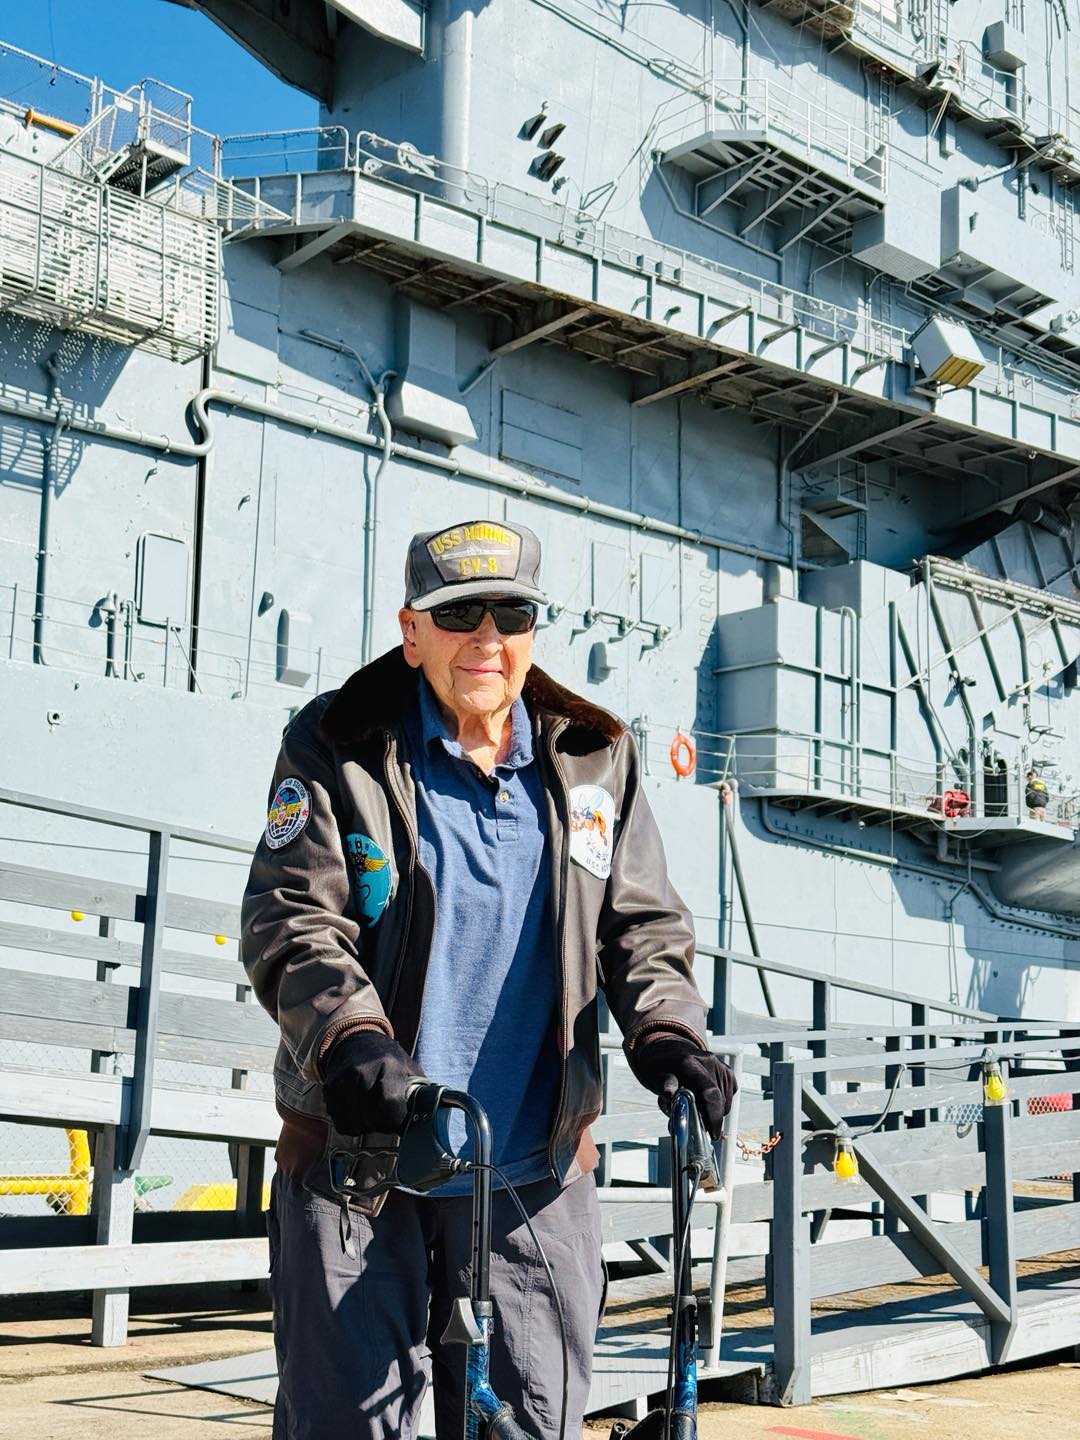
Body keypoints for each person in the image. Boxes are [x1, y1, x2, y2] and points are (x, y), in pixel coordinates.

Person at [241, 518, 736, 1440]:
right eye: (459, 612)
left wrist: (667, 1031)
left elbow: (642, 925)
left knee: (532, 1422)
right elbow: (291, 917)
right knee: (342, 1426)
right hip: (361, 1165)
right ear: (412, 629)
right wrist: (353, 1041)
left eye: (512, 612)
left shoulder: (595, 755)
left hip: (534, 1171)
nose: (488, 636)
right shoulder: (336, 744)